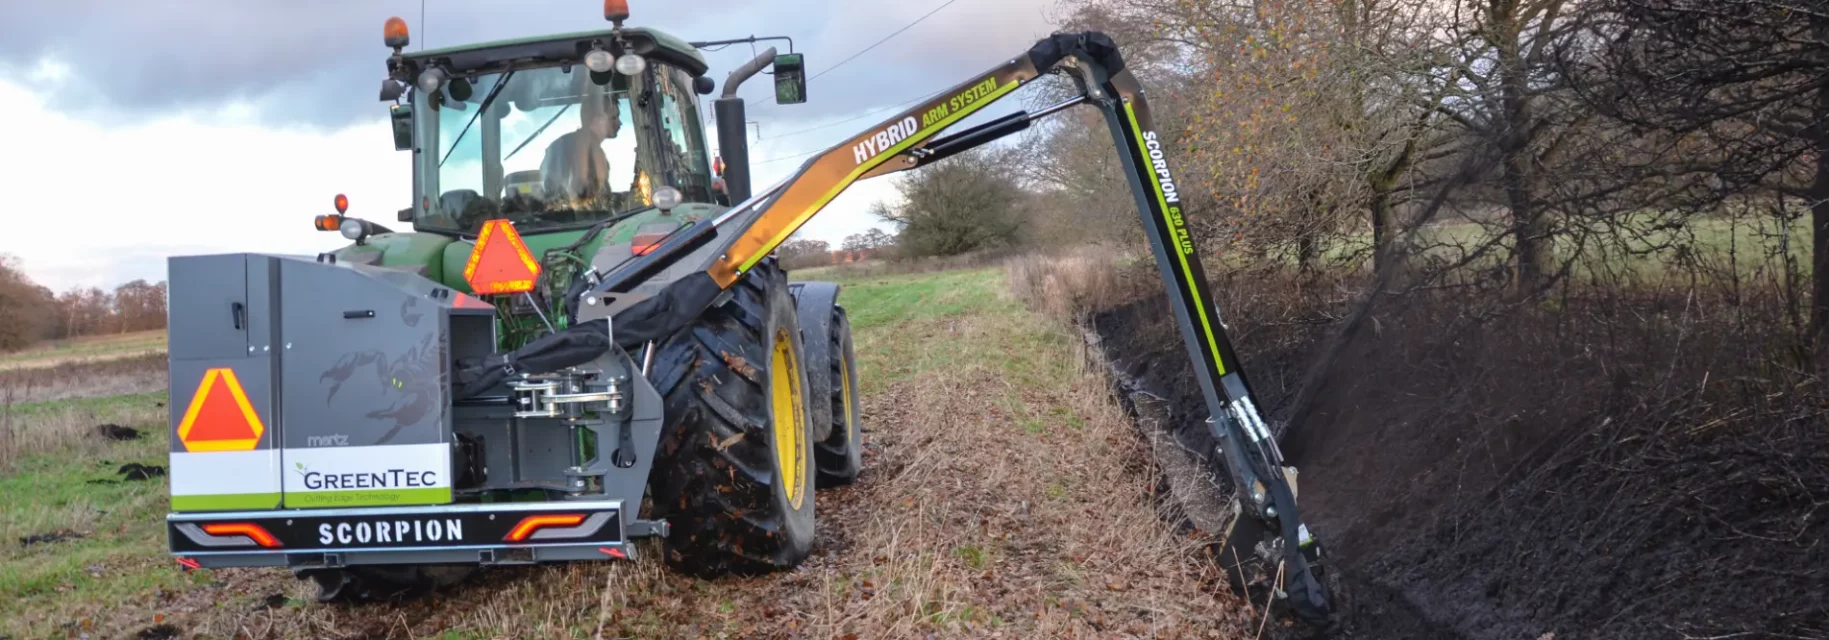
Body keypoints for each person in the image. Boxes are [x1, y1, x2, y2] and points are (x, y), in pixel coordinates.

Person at [540, 91, 621, 204]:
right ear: (597, 120)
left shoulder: (567, 145)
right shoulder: (579, 150)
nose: (619, 122)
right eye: (613, 118)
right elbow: (586, 196)